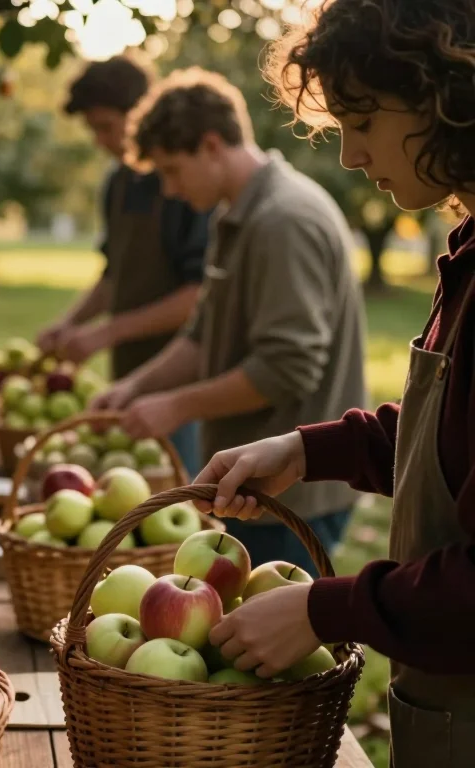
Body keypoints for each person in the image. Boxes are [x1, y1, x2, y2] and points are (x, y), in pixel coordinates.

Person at [193, 1, 475, 763]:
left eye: (363, 121)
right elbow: (452, 438)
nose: (350, 156)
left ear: (445, 99)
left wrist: (328, 609)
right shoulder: (470, 252)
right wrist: (307, 449)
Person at [93, 67, 367, 575]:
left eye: (173, 170)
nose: (170, 191)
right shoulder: (233, 215)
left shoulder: (283, 221)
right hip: (249, 481)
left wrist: (175, 407)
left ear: (212, 144)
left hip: (294, 494)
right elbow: (202, 335)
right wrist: (135, 387)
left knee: (276, 644)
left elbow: (286, 368)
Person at [36, 53, 211, 475]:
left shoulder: (187, 184)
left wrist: (105, 333)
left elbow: (198, 297)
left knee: (174, 491)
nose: (100, 141)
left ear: (141, 114)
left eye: (106, 127)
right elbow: (115, 274)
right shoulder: (118, 182)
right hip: (128, 378)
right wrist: (71, 323)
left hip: (179, 379)